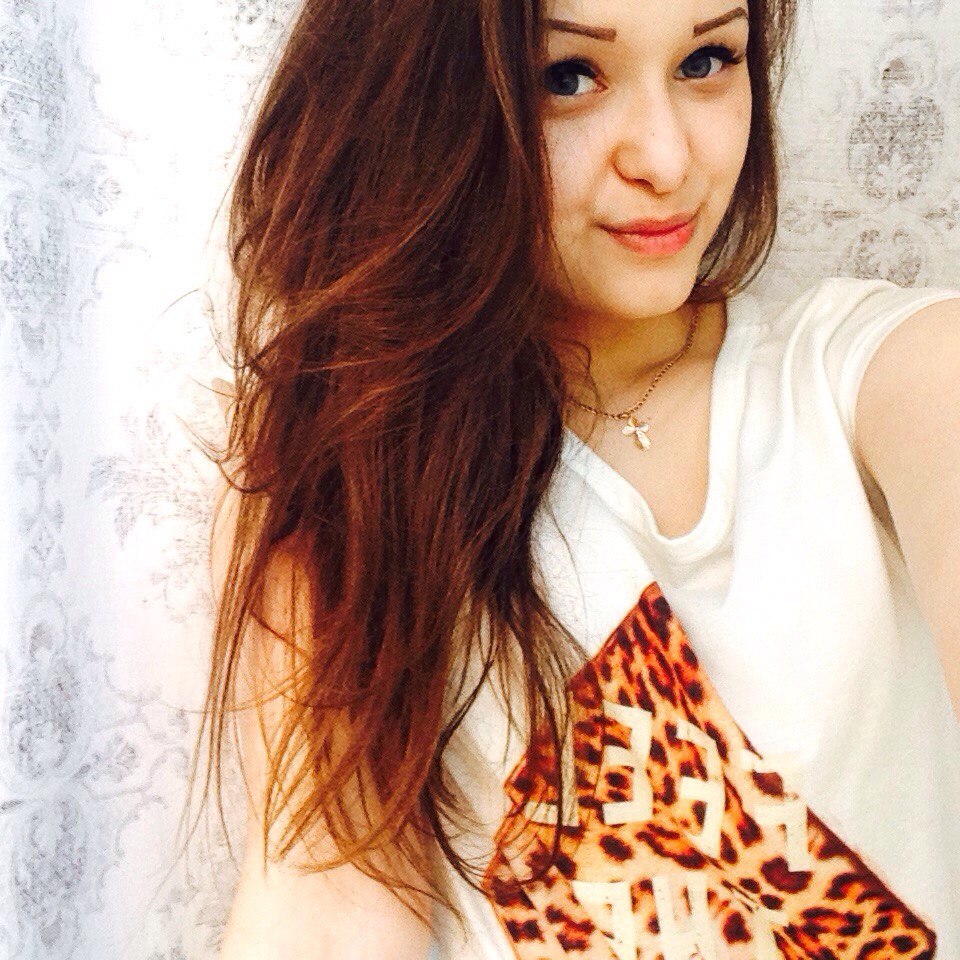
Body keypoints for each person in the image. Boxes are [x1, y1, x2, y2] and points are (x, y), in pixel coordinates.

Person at [189, 0, 960, 957]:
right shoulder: (350, 465)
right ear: (427, 99)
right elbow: (330, 908)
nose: (667, 159)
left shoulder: (885, 374)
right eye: (569, 77)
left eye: (707, 61)